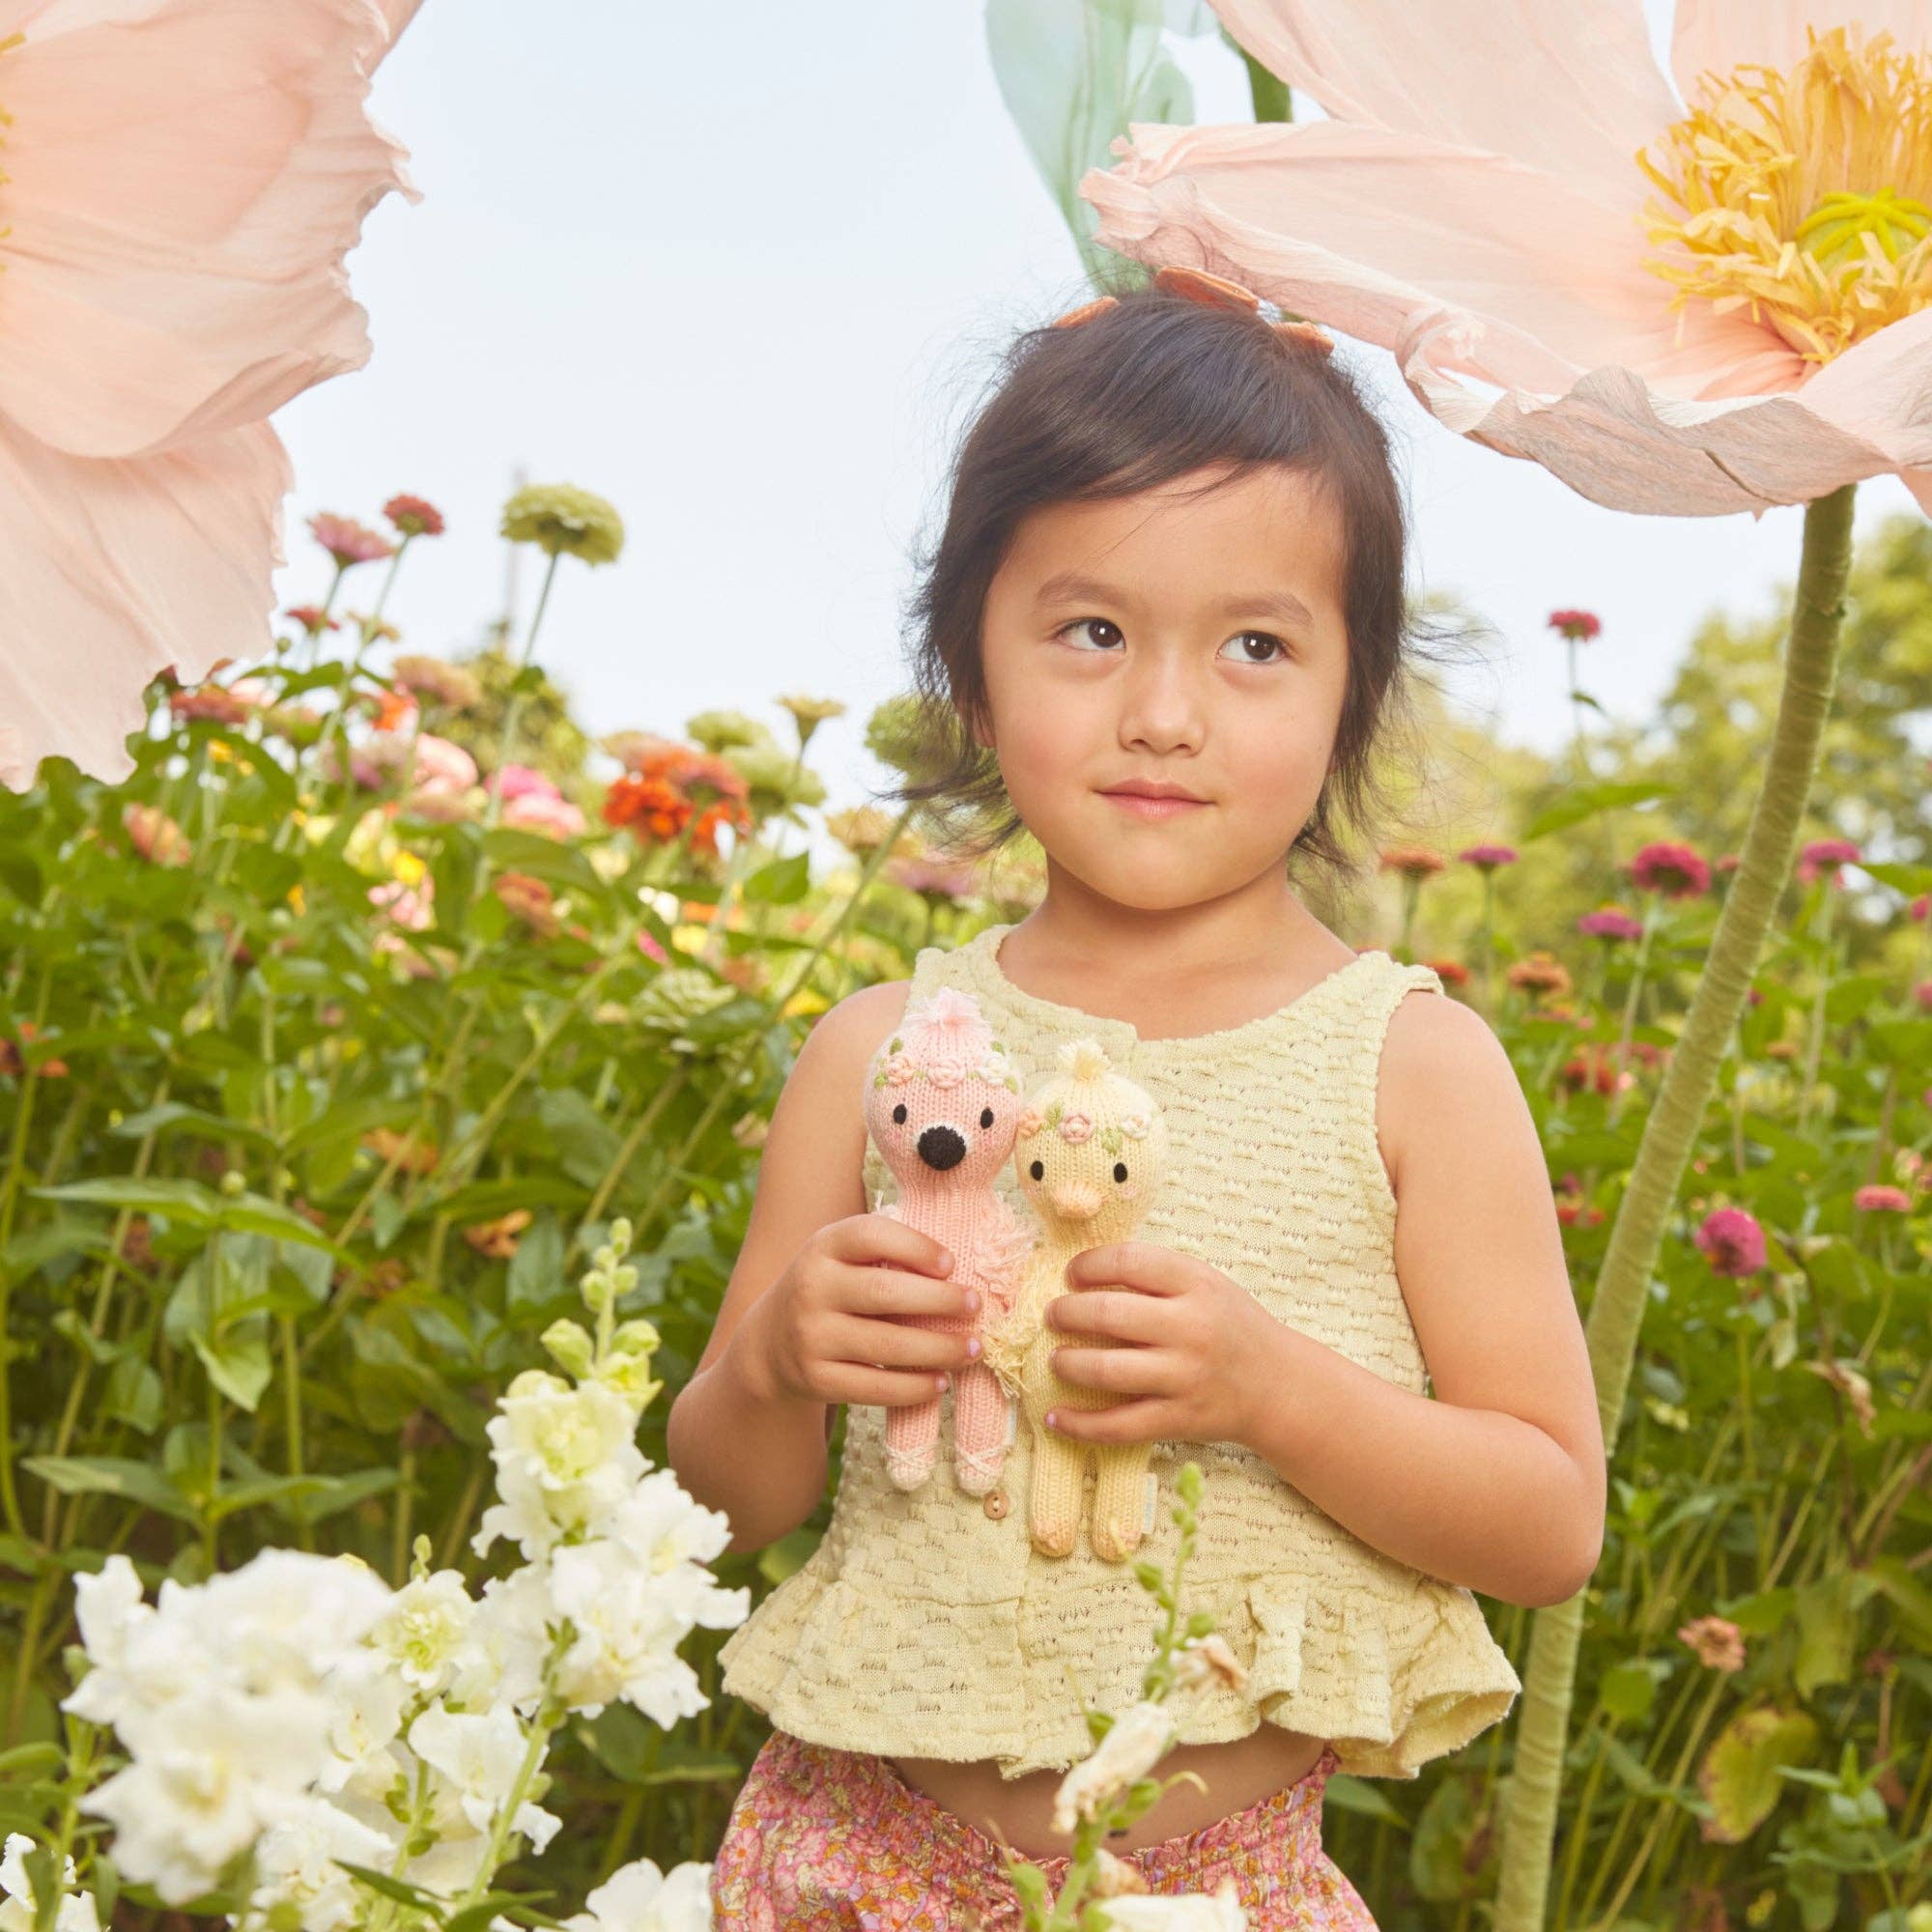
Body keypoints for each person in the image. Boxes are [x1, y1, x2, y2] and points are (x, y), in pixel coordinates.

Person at [668, 269, 1607, 1929]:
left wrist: (1273, 1390)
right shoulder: (881, 1051)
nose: (1163, 715)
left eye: (1256, 645)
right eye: (1092, 632)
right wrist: (773, 1361)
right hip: (853, 1859)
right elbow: (732, 1501)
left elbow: (1545, 1522)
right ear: (969, 671)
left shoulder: (1410, 1064)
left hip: (1212, 1888)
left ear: (1348, 700)